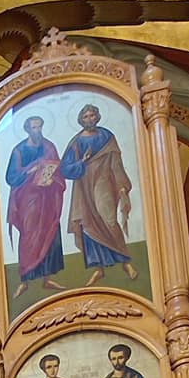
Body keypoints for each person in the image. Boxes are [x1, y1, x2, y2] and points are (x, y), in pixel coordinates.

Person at [59, 105, 137, 285]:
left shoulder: (106, 137)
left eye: (92, 115)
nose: (89, 119)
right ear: (81, 120)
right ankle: (98, 269)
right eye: (86, 116)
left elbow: (116, 162)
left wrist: (122, 186)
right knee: (88, 224)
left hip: (104, 182)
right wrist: (81, 162)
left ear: (97, 117)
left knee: (109, 219)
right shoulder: (77, 142)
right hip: (84, 186)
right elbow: (64, 169)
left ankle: (126, 262)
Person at [5, 114, 67, 288]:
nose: (37, 130)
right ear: (27, 129)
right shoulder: (18, 151)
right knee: (29, 234)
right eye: (34, 127)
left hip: (47, 198)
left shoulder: (49, 146)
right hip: (28, 200)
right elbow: (11, 177)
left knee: (49, 232)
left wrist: (51, 176)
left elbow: (58, 169)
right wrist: (29, 171)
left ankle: (47, 279)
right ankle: (25, 280)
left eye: (39, 126)